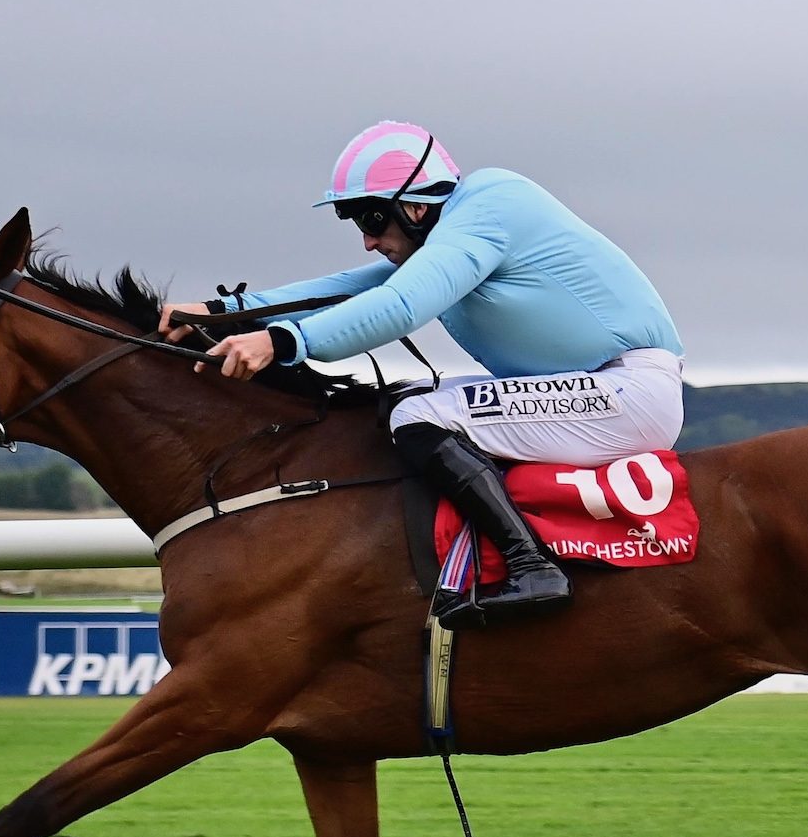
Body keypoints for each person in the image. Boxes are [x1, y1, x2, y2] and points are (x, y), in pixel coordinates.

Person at [159, 121, 684, 626]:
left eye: (370, 220)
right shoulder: (455, 233)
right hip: (598, 388)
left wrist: (282, 342)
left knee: (418, 413)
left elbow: (401, 304)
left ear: (414, 206)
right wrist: (227, 308)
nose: (367, 241)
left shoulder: (490, 206)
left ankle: (533, 568)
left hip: (627, 391)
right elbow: (349, 286)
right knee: (404, 398)